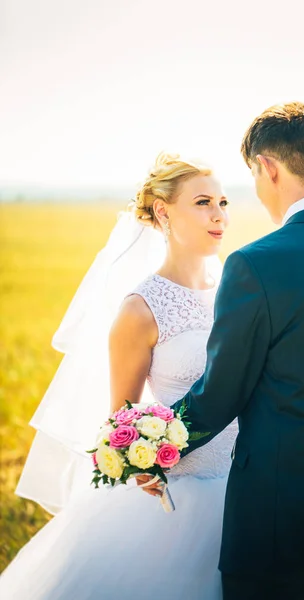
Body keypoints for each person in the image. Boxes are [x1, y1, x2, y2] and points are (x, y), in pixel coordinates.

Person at [158, 102, 304, 600]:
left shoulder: (255, 265)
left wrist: (146, 446)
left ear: (267, 167)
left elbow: (219, 395)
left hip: (277, 518)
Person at [0, 153, 236, 600]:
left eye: (223, 202)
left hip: (246, 481)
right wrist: (142, 463)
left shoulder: (233, 286)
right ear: (164, 211)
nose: (219, 215)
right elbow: (121, 419)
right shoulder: (140, 308)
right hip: (180, 498)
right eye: (203, 202)